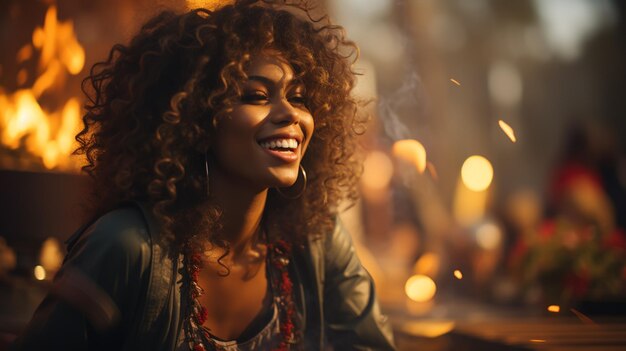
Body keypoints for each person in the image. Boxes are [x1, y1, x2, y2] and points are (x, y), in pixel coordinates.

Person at [11, 1, 396, 350]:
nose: (290, 114)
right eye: (256, 96)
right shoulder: (125, 246)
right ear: (195, 120)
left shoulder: (316, 241)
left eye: (298, 98)